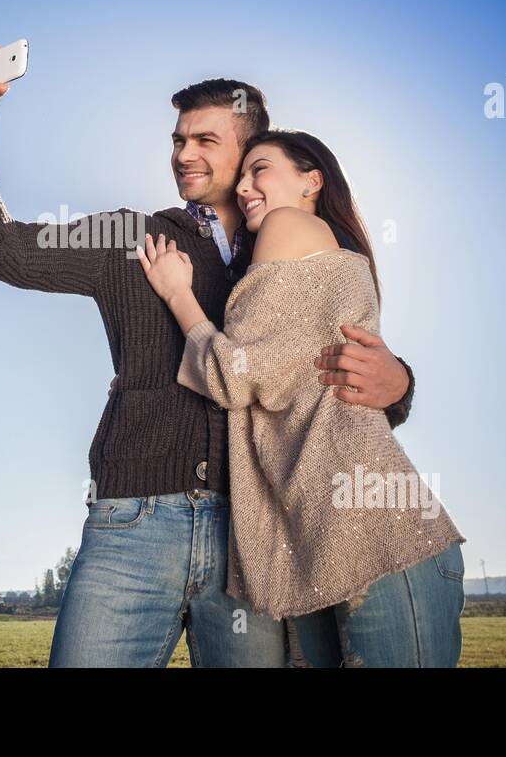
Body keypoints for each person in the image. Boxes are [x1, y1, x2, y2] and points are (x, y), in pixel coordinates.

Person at [0, 37, 416, 666]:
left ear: (251, 153)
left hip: (256, 538)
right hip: (132, 525)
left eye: (205, 141)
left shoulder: (296, 251)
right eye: (177, 140)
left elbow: (334, 380)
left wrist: (401, 384)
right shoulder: (130, 235)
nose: (183, 154)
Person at [136, 128, 467, 666]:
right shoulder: (314, 250)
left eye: (259, 169)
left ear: (312, 180)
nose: (244, 186)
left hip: (375, 538)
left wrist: (178, 294)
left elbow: (234, 375)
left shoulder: (289, 226)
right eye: (240, 175)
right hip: (323, 547)